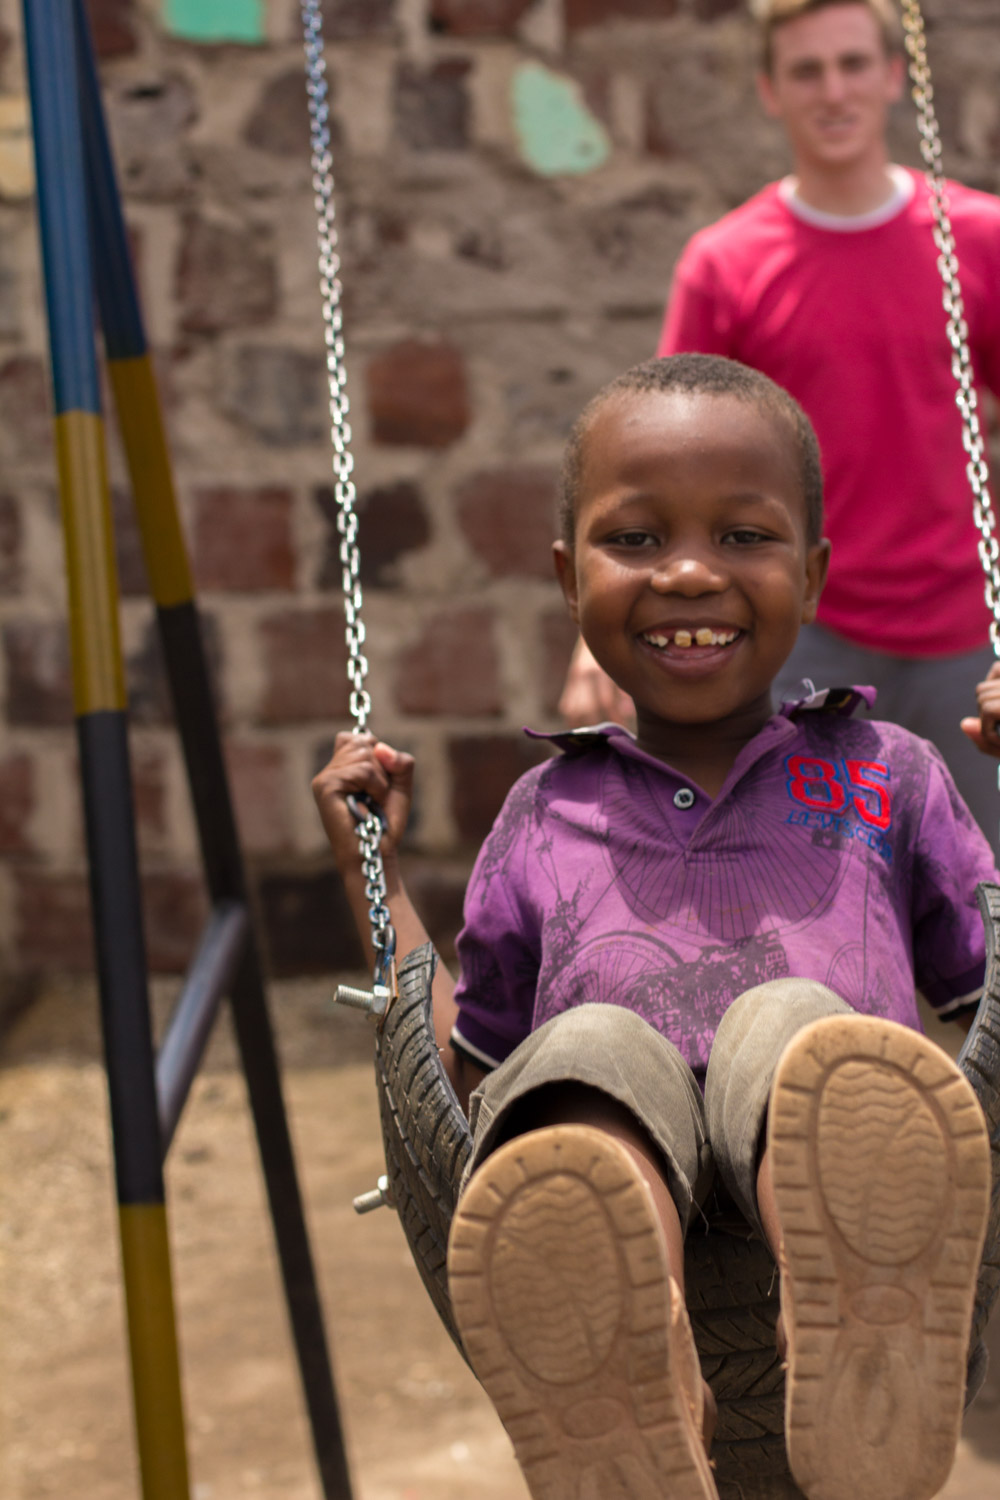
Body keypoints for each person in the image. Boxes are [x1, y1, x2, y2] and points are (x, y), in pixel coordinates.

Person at [313, 354, 995, 1500]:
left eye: (742, 536)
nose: (686, 571)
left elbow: (990, 998)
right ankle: (625, 1373)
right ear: (567, 579)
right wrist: (368, 873)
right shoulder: (542, 817)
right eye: (634, 539)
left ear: (813, 578)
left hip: (805, 1219)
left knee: (797, 1033)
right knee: (581, 1062)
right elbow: (458, 1082)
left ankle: (856, 1317)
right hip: (659, 1244)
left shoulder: (888, 775)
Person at [561, 0, 1000, 845]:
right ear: (770, 90)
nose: (833, 91)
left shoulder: (976, 236)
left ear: (893, 74)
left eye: (852, 64)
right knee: (805, 894)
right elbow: (653, 461)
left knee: (982, 896)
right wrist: (590, 641)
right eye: (807, 70)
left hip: (964, 636)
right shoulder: (727, 262)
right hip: (802, 631)